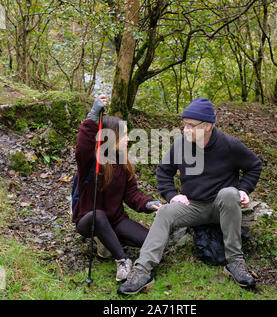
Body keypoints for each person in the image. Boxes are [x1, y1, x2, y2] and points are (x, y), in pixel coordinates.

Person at [118, 98, 262, 295]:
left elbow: (254, 166)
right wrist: (171, 195)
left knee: (230, 193)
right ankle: (142, 270)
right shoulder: (181, 145)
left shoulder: (230, 145)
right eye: (184, 124)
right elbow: (163, 171)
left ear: (208, 126)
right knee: (166, 212)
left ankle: (235, 262)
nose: (185, 129)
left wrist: (244, 189)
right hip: (194, 206)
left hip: (223, 206)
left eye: (190, 125)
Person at [72, 95, 161, 282]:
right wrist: (93, 114)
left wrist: (148, 204)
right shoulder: (91, 161)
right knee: (99, 215)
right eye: (125, 134)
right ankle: (122, 260)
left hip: (116, 220)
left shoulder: (123, 163)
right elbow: (82, 147)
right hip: (89, 219)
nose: (128, 138)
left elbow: (132, 195)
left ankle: (108, 239)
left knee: (150, 242)